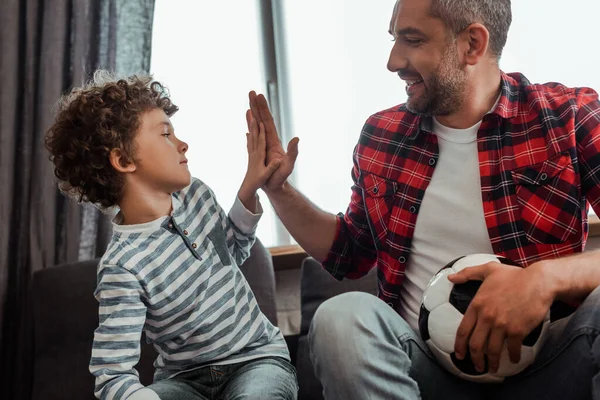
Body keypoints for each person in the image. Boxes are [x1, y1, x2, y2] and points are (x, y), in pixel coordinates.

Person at [247, 0, 600, 399]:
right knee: (341, 317)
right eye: (395, 39)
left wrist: (543, 280)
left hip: (550, 366)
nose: (393, 61)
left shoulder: (569, 118)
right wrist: (278, 189)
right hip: (423, 374)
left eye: (412, 40)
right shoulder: (382, 135)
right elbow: (350, 252)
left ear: (472, 44)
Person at [44, 71, 298, 400]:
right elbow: (112, 374)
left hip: (257, 359)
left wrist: (250, 187)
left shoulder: (197, 195)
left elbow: (231, 254)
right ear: (122, 160)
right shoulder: (122, 267)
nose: (182, 143)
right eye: (165, 134)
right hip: (185, 380)